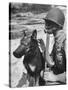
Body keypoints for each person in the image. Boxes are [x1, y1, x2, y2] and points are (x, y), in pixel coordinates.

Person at [39, 8, 66, 84]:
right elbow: (51, 63)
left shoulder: (65, 42)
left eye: (49, 23)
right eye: (46, 22)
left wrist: (55, 77)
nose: (46, 26)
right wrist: (44, 49)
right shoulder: (57, 43)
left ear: (58, 25)